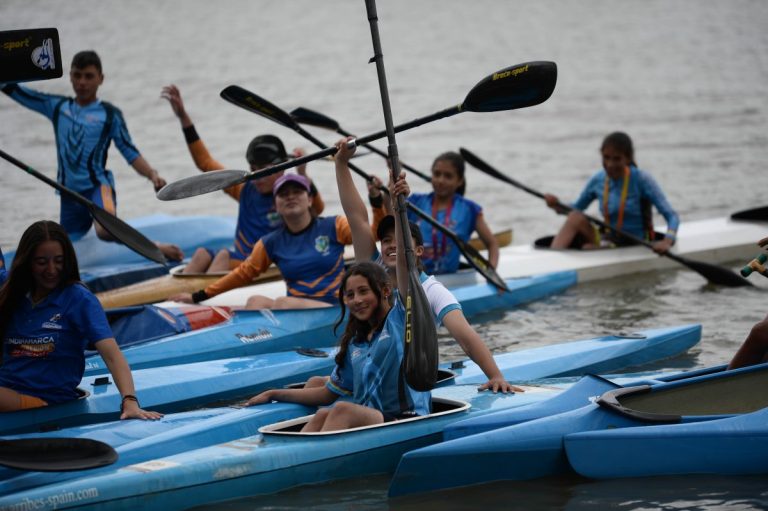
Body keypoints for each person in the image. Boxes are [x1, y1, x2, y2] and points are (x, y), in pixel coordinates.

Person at [333, 137, 520, 394]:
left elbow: (466, 337)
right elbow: (357, 217)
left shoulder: (432, 290)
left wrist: (496, 375)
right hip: (369, 373)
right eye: (385, 240)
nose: (391, 245)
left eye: (397, 239)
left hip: (404, 384)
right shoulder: (371, 269)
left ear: (418, 250)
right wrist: (341, 163)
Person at [1, 51, 182, 261]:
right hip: (68, 194)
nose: (82, 82)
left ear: (100, 79)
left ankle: (157, 248)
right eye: (77, 76)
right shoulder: (57, 107)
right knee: (63, 249)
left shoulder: (109, 115)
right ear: (70, 76)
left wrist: (152, 175)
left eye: (88, 76)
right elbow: (15, 91)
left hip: (97, 188)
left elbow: (129, 152)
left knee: (105, 231)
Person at [0, 220, 162, 418]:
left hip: (46, 402)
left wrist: (130, 401)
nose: (51, 269)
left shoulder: (79, 299)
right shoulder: (11, 290)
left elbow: (112, 355)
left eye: (58, 261)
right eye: (41, 262)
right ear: (27, 263)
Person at [246, 258, 431, 430]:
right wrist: (272, 393)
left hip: (409, 421)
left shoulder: (399, 320)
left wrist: (399, 221)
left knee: (343, 409)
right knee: (323, 413)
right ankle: (288, 461)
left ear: (385, 291)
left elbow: (405, 269)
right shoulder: (355, 343)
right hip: (374, 424)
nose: (356, 300)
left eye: (363, 291)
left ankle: (314, 462)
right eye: (350, 295)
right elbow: (327, 394)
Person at [161, 84, 325, 273]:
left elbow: (317, 209)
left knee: (222, 255)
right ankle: (181, 297)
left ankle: (203, 296)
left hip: (265, 264)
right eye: (253, 169)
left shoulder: (289, 194)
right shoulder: (244, 189)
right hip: (238, 260)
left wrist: (302, 173)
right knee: (201, 254)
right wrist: (184, 118)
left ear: (281, 170)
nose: (257, 177)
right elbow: (204, 162)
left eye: (263, 170)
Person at [170, 174, 351, 310]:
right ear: (276, 204)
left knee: (282, 303)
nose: (290, 197)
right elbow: (241, 274)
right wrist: (197, 296)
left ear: (310, 200)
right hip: (298, 309)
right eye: (283, 194)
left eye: (297, 192)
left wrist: (375, 202)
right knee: (255, 301)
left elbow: (372, 234)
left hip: (334, 308)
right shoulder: (271, 242)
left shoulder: (334, 226)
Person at [543, 132, 679, 254]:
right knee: (575, 216)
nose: (610, 164)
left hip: (636, 242)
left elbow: (672, 216)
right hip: (608, 239)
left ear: (628, 158)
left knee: (587, 248)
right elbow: (576, 208)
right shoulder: (598, 180)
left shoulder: (642, 180)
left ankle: (589, 250)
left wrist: (667, 241)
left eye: (616, 159)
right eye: (606, 158)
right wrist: (556, 205)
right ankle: (552, 259)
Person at [401, 151, 498, 274]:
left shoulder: (469, 210)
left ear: (460, 181)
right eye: (437, 174)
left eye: (448, 176)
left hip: (451, 280)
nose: (441, 180)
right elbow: (392, 218)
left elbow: (492, 244)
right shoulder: (414, 202)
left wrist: (491, 273)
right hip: (418, 278)